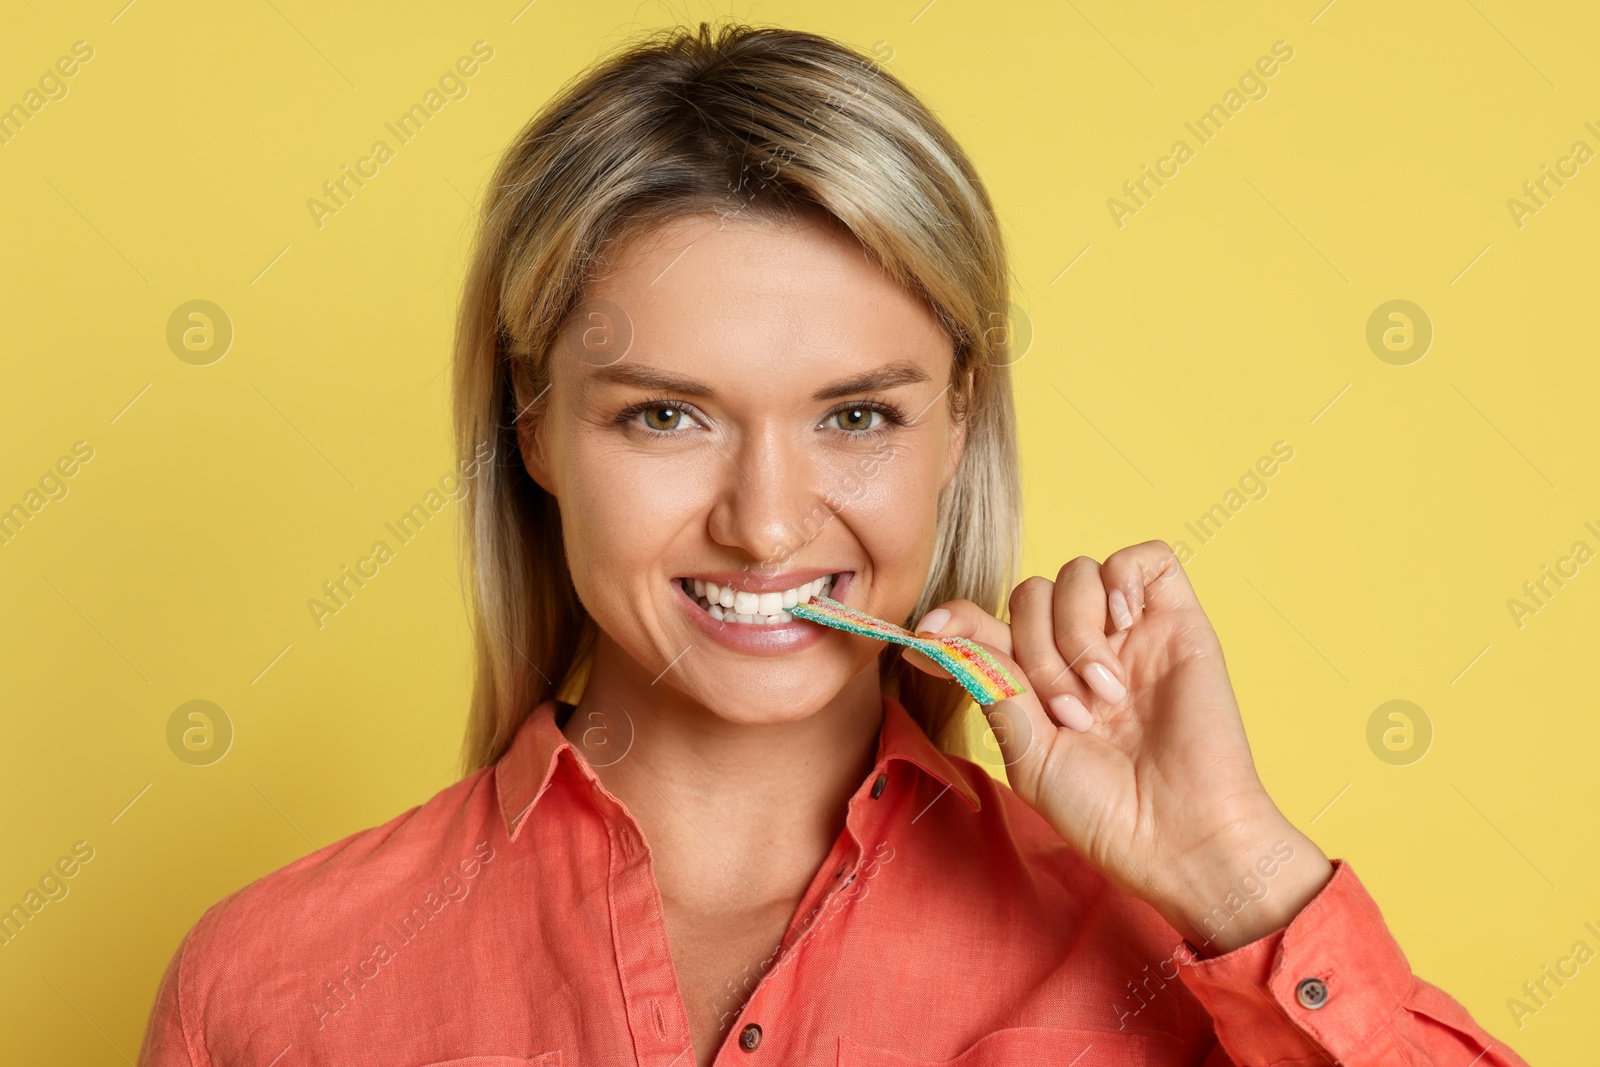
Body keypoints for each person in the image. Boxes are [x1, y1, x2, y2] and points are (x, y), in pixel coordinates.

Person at [138, 21, 1530, 1067]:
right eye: (668, 415)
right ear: (537, 428)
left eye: (855, 414)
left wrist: (1236, 871)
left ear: (959, 422)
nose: (767, 522)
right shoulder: (270, 986)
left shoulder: (1176, 977)